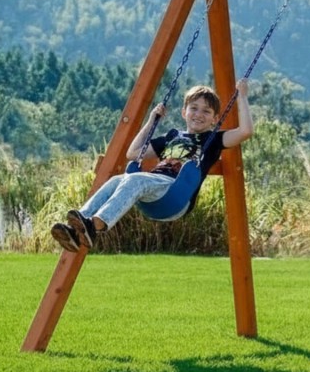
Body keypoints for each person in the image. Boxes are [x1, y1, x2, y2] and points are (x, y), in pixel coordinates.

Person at [51, 79, 253, 252]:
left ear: (215, 119)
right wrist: (151, 121)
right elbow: (133, 153)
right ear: (184, 112)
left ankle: (97, 224)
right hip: (153, 191)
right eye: (194, 108)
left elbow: (245, 131)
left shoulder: (214, 139)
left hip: (176, 194)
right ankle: (78, 227)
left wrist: (242, 96)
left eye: (206, 111)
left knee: (135, 179)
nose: (199, 114)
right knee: (116, 180)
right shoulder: (172, 136)